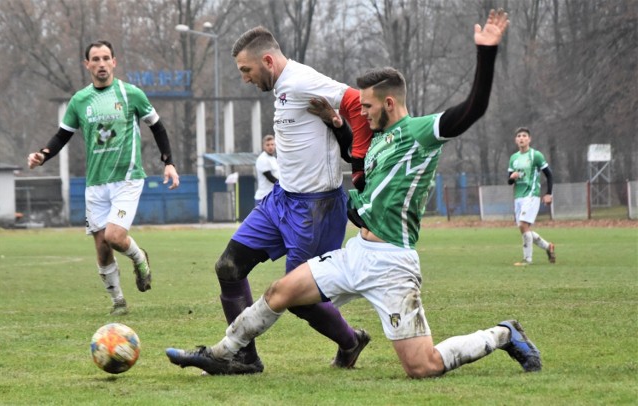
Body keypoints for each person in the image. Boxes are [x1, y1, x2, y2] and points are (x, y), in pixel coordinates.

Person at [167, 9, 542, 379]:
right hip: (356, 252)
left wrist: (486, 52)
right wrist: (335, 125)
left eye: (365, 107)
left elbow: (473, 109)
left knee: (421, 367)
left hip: (393, 264)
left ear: (389, 104)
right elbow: (353, 155)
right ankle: (221, 353)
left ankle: (503, 333)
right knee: (281, 291)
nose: (357, 112)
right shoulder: (376, 140)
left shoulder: (421, 133)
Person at [192, 26, 374, 375]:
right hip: (280, 201)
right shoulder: (282, 89)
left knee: (297, 298)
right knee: (228, 267)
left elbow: (357, 101)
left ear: (268, 60)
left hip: (316, 208)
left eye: (246, 70)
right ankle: (245, 358)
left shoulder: (304, 80)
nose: (245, 78)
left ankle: (350, 341)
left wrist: (360, 161)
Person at [27, 40, 180, 316]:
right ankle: (118, 302)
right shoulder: (80, 100)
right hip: (95, 184)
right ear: (87, 64)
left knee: (115, 236)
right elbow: (63, 135)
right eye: (95, 59)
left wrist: (168, 162)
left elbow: (157, 126)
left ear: (114, 62)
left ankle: (139, 258)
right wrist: (43, 154)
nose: (101, 64)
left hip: (127, 178)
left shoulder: (130, 93)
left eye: (105, 58)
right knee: (101, 248)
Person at [508, 127, 556, 266]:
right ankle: (548, 247)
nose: (521, 138)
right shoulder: (514, 158)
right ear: (516, 140)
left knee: (523, 225)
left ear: (529, 139)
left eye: (524, 136)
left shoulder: (536, 155)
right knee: (524, 228)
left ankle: (527, 260)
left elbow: (549, 174)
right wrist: (512, 177)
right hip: (518, 196)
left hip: (531, 194)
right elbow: (509, 181)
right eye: (519, 136)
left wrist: (548, 193)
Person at [254, 134, 278, 205]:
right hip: (264, 198)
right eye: (267, 145)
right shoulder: (262, 159)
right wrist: (283, 186)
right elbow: (270, 177)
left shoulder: (274, 159)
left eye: (272, 144)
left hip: (273, 197)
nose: (270, 147)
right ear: (263, 146)